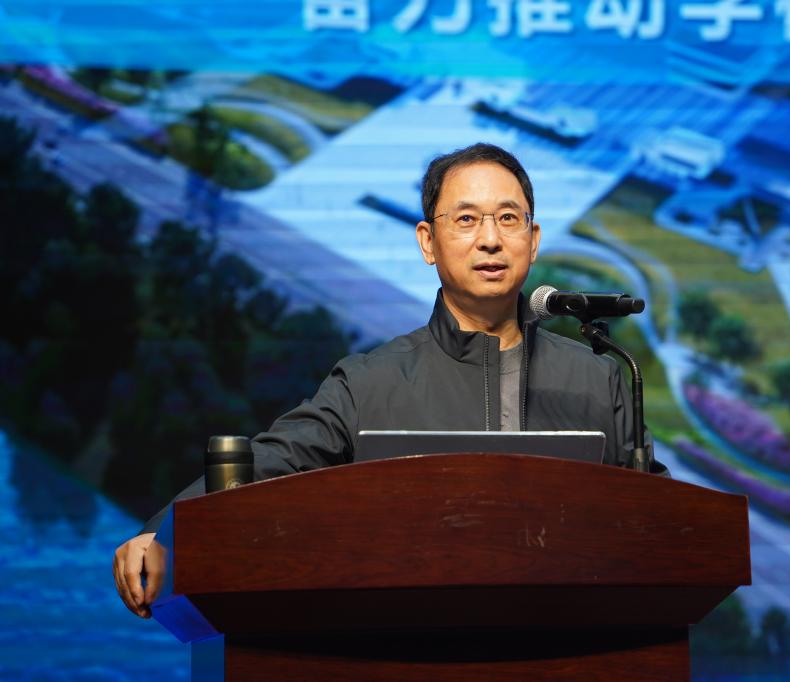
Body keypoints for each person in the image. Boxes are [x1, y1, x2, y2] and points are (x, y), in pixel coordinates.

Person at [112, 142, 660, 619]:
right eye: (467, 220)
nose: (491, 239)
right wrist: (162, 531)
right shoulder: (369, 382)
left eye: (508, 218)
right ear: (427, 242)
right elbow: (271, 460)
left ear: (533, 240)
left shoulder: (598, 377)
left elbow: (659, 523)